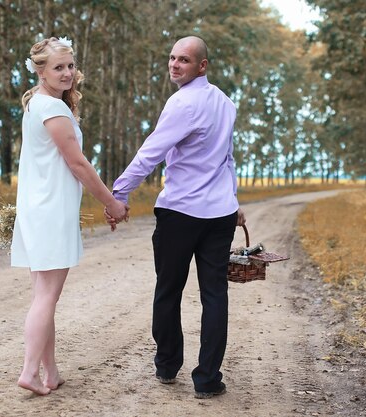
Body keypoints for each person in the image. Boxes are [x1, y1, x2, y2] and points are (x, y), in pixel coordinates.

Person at [108, 35, 246, 399]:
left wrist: (118, 193)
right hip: (218, 214)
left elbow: (150, 152)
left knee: (168, 291)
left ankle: (168, 365)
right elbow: (228, 160)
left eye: (183, 60)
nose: (174, 64)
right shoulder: (226, 103)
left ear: (202, 66)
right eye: (171, 58)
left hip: (181, 212)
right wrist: (233, 200)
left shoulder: (182, 102)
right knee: (215, 295)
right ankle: (207, 380)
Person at [11, 36, 128, 395]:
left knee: (43, 296)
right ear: (41, 70)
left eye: (70, 66)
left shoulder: (36, 103)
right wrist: (112, 203)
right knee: (47, 297)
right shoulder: (54, 110)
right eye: (58, 67)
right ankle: (29, 372)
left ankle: (50, 373)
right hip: (51, 211)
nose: (67, 73)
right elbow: (77, 164)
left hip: (36, 208)